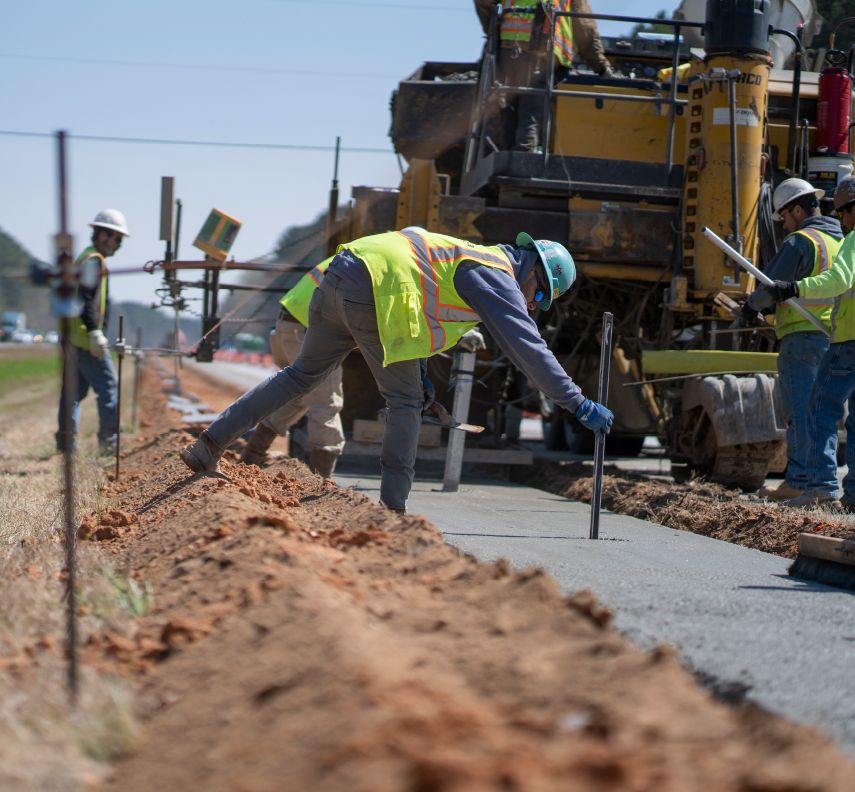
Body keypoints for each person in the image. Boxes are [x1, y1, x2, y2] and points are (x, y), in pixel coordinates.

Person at [180, 227, 614, 513]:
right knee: (404, 402)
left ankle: (208, 446)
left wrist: (421, 371)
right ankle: (393, 510)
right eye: (539, 296)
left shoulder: (474, 257)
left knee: (300, 377)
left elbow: (420, 302)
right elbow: (528, 349)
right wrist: (576, 403)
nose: (532, 305)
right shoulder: (497, 276)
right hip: (375, 289)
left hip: (341, 273)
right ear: (533, 270)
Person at [753, 176, 855, 509]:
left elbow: (775, 286)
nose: (841, 220)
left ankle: (813, 484)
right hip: (831, 334)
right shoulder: (838, 239)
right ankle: (850, 494)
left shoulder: (806, 241)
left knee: (813, 410)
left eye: (843, 213)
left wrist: (787, 292)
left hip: (825, 337)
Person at [239, 257, 345, 478]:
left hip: (289, 326)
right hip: (307, 331)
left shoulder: (352, 255)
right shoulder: (379, 268)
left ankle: (252, 455)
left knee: (300, 394)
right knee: (326, 401)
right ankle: (322, 481)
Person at [482, 0, 613, 151]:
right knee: (530, 110)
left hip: (508, 48)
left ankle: (506, 159)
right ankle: (523, 159)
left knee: (510, 108)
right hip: (542, 50)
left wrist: (493, 30)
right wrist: (600, 66)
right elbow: (584, 27)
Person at [56, 209, 129, 454]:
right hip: (85, 340)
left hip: (73, 337)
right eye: (115, 238)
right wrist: (95, 332)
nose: (117, 245)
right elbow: (85, 298)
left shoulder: (88, 258)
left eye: (119, 240)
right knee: (108, 388)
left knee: (74, 391)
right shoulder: (93, 260)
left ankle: (66, 443)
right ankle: (109, 445)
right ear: (102, 235)